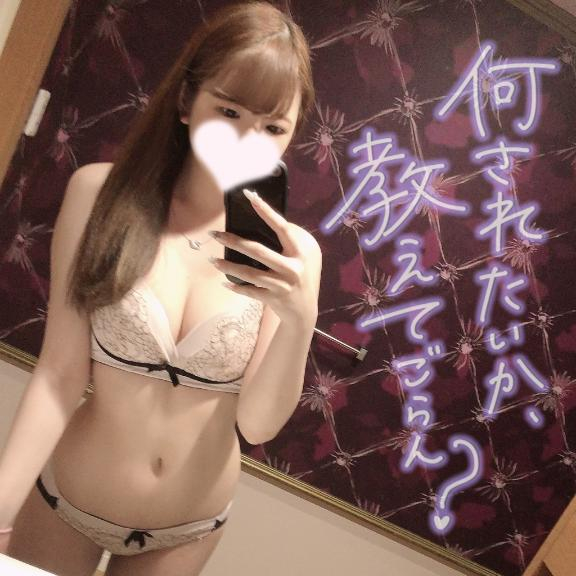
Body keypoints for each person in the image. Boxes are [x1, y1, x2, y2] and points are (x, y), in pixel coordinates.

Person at [0, 1, 321, 574]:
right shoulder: (98, 196)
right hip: (66, 501)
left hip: (188, 529)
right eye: (229, 111)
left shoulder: (295, 254)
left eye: (273, 127)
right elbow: (59, 373)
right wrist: (0, 504)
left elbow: (258, 423)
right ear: (186, 101)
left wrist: (300, 319)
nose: (248, 140)